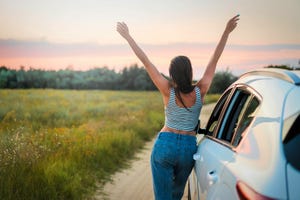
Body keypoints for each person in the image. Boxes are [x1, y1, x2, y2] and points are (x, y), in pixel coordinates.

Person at [116, 15, 239, 200]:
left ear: (172, 73)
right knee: (176, 196)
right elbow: (214, 60)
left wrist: (128, 37)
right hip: (188, 149)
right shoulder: (201, 90)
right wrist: (226, 32)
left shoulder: (167, 90)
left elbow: (146, 61)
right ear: (190, 72)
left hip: (165, 144)